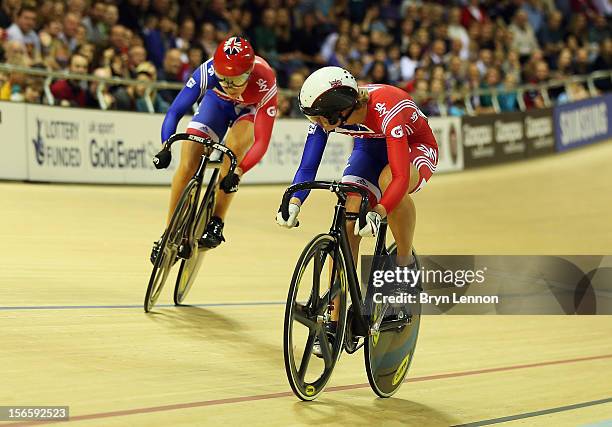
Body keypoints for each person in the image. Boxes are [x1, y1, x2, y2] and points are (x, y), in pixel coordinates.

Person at [276, 66, 438, 355]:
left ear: (337, 112)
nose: (314, 123)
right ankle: (333, 322)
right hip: (370, 146)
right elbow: (308, 166)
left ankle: (404, 265)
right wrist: (294, 201)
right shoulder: (330, 114)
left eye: (316, 117)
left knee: (389, 184)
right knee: (349, 209)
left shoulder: (388, 107)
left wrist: (379, 210)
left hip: (414, 147)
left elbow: (400, 177)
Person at [151, 36, 278, 262]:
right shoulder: (207, 71)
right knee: (189, 157)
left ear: (249, 73)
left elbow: (261, 141)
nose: (229, 86)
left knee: (234, 149)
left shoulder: (265, 80)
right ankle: (168, 232)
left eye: (235, 80)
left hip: (248, 111)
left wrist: (237, 173)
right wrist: (165, 144)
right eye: (223, 79)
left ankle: (217, 221)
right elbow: (174, 112)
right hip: (216, 104)